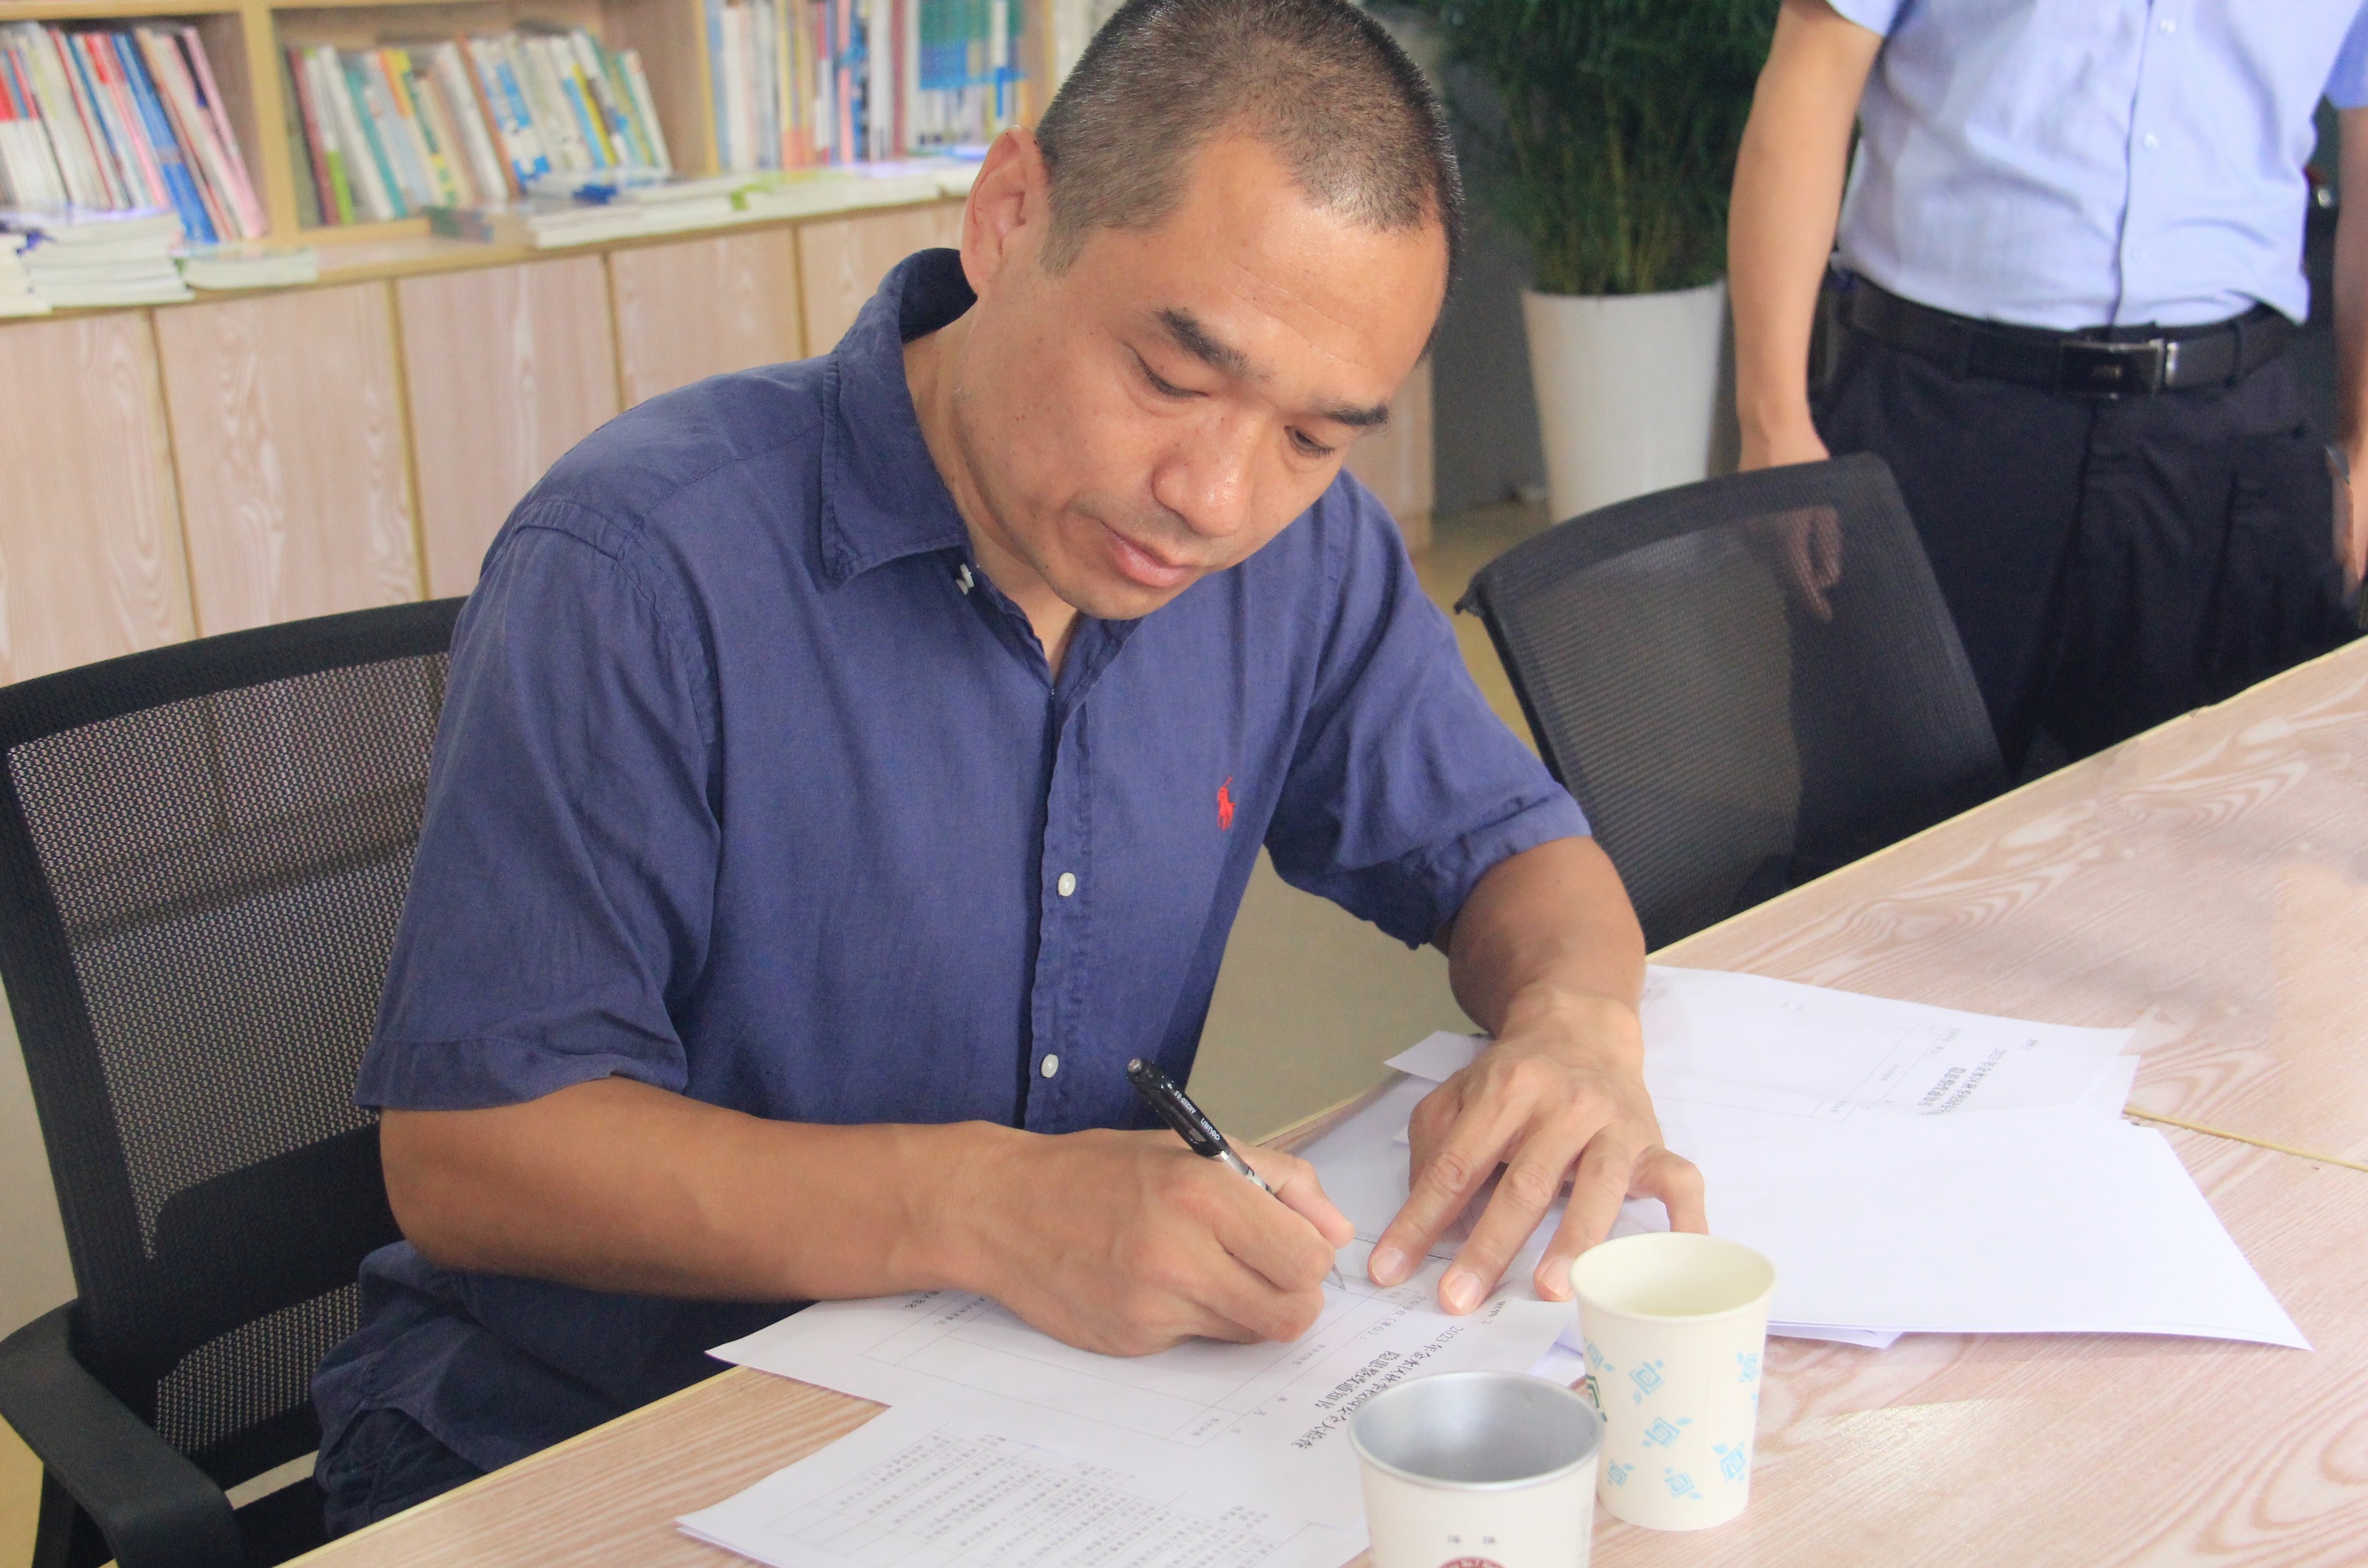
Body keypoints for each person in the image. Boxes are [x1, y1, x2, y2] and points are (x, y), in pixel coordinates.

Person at [311, 0, 1706, 1532]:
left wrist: (1577, 1023)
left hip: (1021, 1422)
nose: (1214, 495)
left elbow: (1514, 850)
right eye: (1170, 375)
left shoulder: (1297, 565)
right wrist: (986, 1206)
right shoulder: (641, 567)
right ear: (1008, 215)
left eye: (1313, 439)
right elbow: (473, 1155)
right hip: (592, 1430)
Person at [1730, 0, 2367, 776]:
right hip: (1941, 421)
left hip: (2229, 448)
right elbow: (1812, 77)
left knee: (2228, 819)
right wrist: (1773, 422)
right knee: (1885, 816)